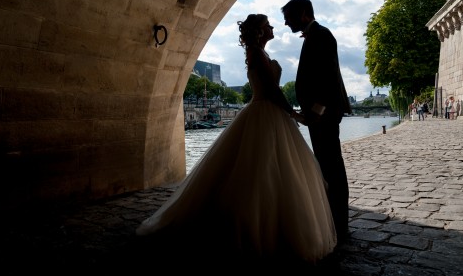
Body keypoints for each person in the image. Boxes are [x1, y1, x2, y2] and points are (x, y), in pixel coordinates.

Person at [136, 14, 337, 263]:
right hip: (267, 112)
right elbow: (272, 90)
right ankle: (265, 231)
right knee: (266, 171)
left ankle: (267, 226)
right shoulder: (255, 53)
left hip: (266, 114)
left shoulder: (257, 52)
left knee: (264, 171)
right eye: (268, 25)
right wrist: (294, 114)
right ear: (261, 31)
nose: (273, 27)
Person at [281, 0, 352, 238]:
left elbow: (327, 77)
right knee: (327, 164)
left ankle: (339, 222)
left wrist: (317, 112)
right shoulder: (317, 35)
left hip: (323, 114)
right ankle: (335, 218)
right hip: (320, 114)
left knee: (331, 165)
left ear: (303, 13)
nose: (285, 23)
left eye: (288, 17)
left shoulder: (321, 35)